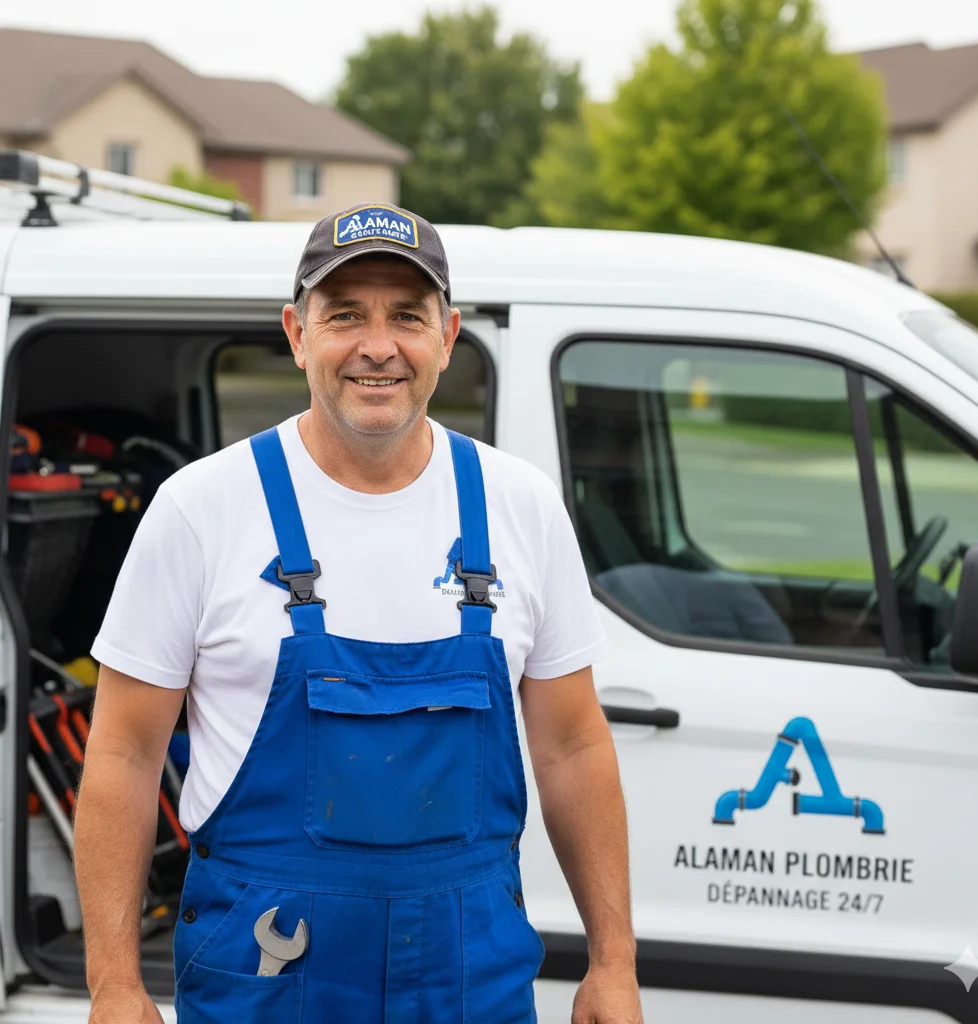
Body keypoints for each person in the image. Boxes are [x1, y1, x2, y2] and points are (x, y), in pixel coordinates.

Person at [75, 202, 642, 1023]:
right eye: (345, 314)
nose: (379, 346)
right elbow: (124, 754)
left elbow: (572, 744)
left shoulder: (520, 505)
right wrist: (114, 986)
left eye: (407, 316)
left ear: (447, 339)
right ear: (296, 333)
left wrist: (614, 962)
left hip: (468, 979)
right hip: (268, 976)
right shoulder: (200, 509)